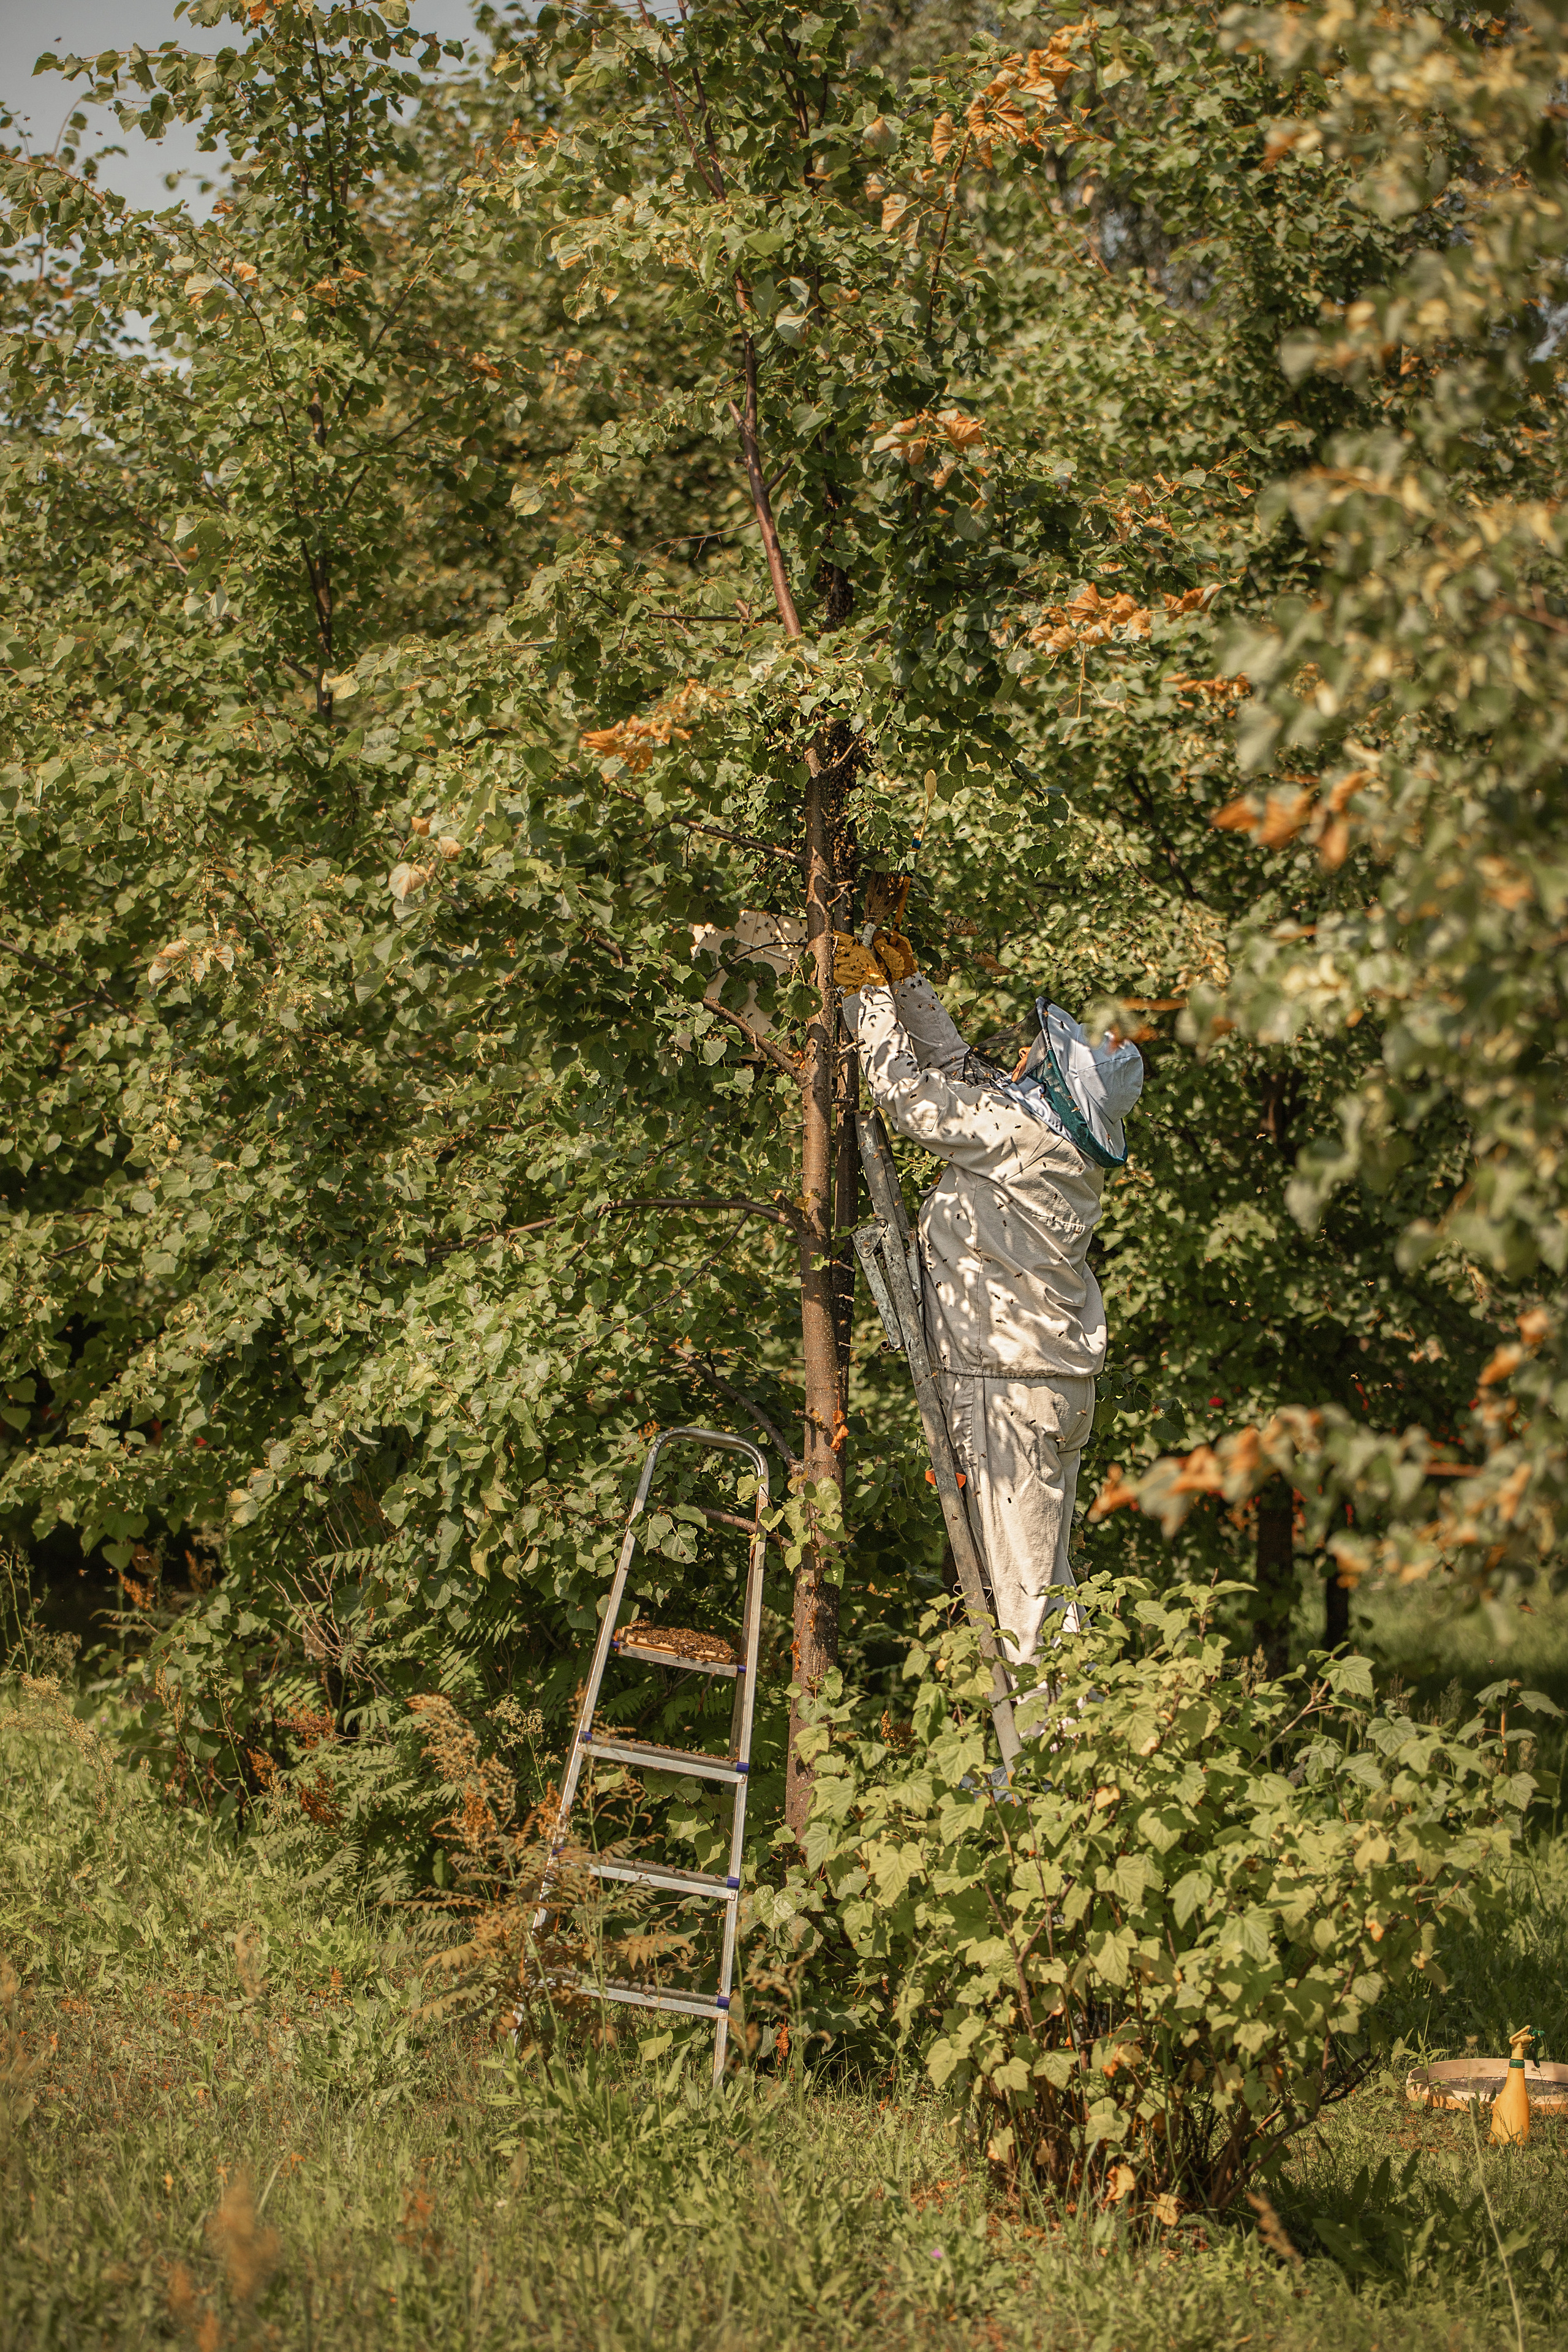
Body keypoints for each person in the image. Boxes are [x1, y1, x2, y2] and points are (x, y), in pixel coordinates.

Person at [835, 925, 1145, 1684]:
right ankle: (1068, 1750)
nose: (1023, 1057)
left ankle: (1046, 1767)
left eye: (1039, 1057)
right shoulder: (1045, 1139)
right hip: (1054, 1383)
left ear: (1060, 1089)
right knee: (1045, 1573)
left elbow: (914, 1098)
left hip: (1007, 1387)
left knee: (1023, 1590)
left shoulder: (1020, 1135)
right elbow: (960, 1073)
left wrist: (867, 1000)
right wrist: (905, 986)